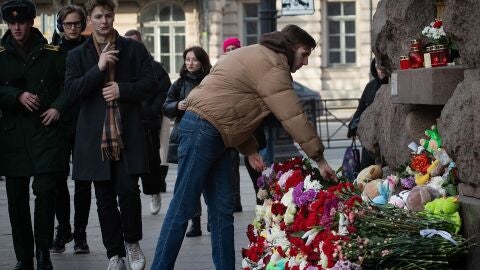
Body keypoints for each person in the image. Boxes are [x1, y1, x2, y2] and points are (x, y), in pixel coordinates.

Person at [151, 24, 336, 270]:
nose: (306, 62)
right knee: (183, 206)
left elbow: (229, 107)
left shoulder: (255, 54)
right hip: (203, 131)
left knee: (222, 211)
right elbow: (293, 116)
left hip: (213, 132)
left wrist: (249, 149)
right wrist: (320, 160)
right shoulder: (272, 65)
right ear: (291, 48)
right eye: (304, 54)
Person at [64, 0, 157, 269]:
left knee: (128, 191)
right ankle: (114, 254)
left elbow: (151, 83)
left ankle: (132, 243)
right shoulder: (77, 55)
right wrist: (99, 68)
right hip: (94, 137)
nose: (104, 21)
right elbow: (72, 91)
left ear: (113, 16)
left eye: (107, 15)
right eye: (98, 16)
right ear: (90, 20)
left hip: (127, 134)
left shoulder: (134, 49)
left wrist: (122, 90)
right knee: (104, 198)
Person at [0, 0, 67, 269]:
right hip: (13, 135)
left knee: (45, 194)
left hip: (44, 131)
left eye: (22, 22)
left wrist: (57, 108)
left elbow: (68, 85)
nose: (17, 27)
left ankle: (43, 253)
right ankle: (23, 257)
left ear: (31, 22)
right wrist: (16, 95)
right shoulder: (1, 53)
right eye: (12, 23)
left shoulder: (52, 52)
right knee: (16, 200)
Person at [49, 4, 91, 255]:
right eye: (68, 24)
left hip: (85, 121)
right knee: (57, 178)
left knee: (83, 181)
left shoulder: (91, 49)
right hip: (59, 121)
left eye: (77, 23)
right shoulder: (52, 51)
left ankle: (80, 233)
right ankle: (63, 228)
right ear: (60, 26)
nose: (73, 28)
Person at [162, 46, 212, 237]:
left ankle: (212, 218)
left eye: (194, 60)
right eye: (187, 59)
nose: (190, 63)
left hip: (208, 135)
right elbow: (165, 107)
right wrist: (177, 105)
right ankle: (195, 222)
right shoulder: (179, 83)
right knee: (189, 180)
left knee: (208, 180)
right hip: (185, 136)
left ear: (202, 62)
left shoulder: (210, 81)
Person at [124, 29, 171, 215]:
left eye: (135, 42)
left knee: (152, 162)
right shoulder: (120, 66)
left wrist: (151, 110)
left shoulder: (154, 66)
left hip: (149, 122)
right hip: (128, 122)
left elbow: (164, 91)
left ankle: (154, 192)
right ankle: (128, 193)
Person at [347, 58, 389, 169]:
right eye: (377, 67)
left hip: (386, 137)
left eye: (382, 67)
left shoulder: (392, 84)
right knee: (366, 170)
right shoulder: (371, 86)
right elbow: (361, 108)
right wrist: (352, 126)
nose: (380, 70)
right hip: (369, 137)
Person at [222, 37, 243, 212]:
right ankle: (233, 202)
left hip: (245, 123)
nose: (230, 52)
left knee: (254, 169)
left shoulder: (245, 69)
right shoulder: (219, 69)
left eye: (233, 49)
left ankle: (238, 201)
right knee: (229, 165)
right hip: (226, 124)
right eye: (227, 49)